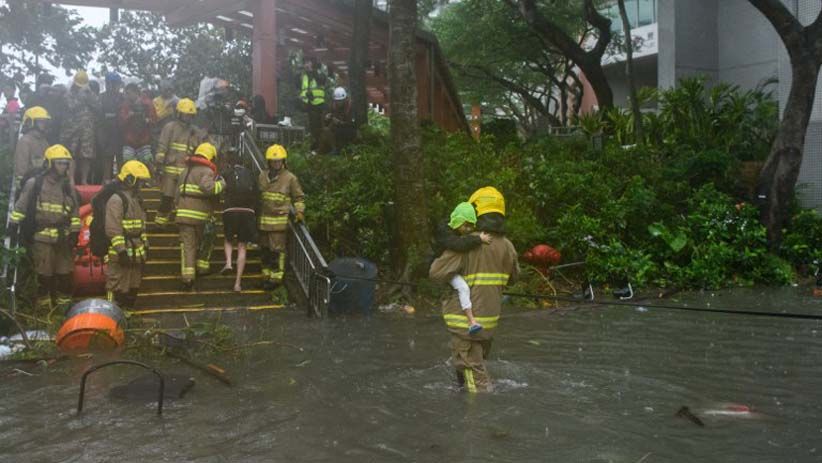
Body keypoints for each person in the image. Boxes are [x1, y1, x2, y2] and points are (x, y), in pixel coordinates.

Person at [429, 187, 518, 393]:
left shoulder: (466, 244)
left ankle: (477, 421)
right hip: (488, 324)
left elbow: (435, 272)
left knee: (475, 384)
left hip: (465, 325)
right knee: (472, 371)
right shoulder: (508, 247)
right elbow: (513, 278)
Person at [8, 145, 81, 313]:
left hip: (63, 239)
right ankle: (43, 316)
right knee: (44, 278)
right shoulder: (35, 183)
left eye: (65, 163)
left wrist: (75, 232)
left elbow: (75, 213)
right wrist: (13, 225)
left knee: (65, 278)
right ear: (49, 164)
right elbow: (21, 207)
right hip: (42, 238)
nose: (64, 166)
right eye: (60, 163)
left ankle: (63, 314)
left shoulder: (68, 187)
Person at [433, 202, 493, 335]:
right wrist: (478, 239)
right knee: (463, 287)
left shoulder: (454, 228)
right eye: (466, 225)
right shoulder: (445, 232)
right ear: (458, 221)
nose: (468, 229)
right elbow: (458, 244)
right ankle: (472, 322)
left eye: (471, 226)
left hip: (455, 268)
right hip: (444, 268)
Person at [175, 142, 225, 290]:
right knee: (205, 241)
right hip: (200, 215)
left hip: (183, 214)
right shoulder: (207, 171)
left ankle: (188, 278)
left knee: (187, 246)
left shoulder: (185, 171)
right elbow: (207, 188)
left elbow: (177, 194)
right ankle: (202, 268)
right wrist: (222, 184)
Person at [104, 160, 151, 309]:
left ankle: (128, 318)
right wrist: (121, 251)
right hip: (121, 252)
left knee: (133, 286)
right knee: (116, 285)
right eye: (140, 182)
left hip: (136, 252)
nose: (142, 186)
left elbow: (142, 226)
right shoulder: (116, 200)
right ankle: (112, 317)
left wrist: (146, 245)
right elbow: (113, 229)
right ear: (130, 180)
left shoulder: (137, 200)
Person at [257, 144, 304, 289]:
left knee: (277, 251)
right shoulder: (262, 176)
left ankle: (276, 279)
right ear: (269, 161)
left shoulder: (290, 178)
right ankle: (266, 276)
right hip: (263, 222)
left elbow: (299, 197)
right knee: (265, 250)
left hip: (279, 222)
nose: (276, 163)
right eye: (273, 161)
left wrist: (299, 212)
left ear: (283, 161)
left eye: (279, 161)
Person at [154, 98, 208, 226]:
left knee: (182, 200)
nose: (188, 118)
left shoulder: (194, 130)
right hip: (170, 170)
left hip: (185, 172)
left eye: (190, 115)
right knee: (167, 198)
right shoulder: (170, 127)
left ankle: (179, 225)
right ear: (179, 113)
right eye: (186, 114)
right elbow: (162, 146)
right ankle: (160, 224)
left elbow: (199, 147)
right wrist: (159, 165)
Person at [220, 152, 258, 292]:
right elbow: (256, 193)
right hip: (247, 212)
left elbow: (220, 188)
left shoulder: (227, 172)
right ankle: (237, 283)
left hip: (230, 210)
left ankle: (229, 262)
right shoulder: (251, 174)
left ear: (230, 163)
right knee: (242, 245)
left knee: (228, 239)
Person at [61, 70, 99, 184]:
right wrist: (81, 97)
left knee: (86, 155)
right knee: (72, 154)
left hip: (87, 130)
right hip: (72, 130)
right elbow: (71, 106)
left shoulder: (90, 93)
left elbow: (98, 107)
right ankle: (71, 179)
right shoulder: (68, 94)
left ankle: (84, 180)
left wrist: (90, 95)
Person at [119, 83, 157, 167]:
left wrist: (147, 120)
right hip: (129, 142)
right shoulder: (125, 105)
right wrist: (129, 116)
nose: (127, 96)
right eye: (126, 94)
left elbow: (154, 121)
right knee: (128, 164)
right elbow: (121, 122)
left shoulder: (148, 104)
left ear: (136, 92)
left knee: (147, 163)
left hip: (144, 141)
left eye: (129, 93)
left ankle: (147, 179)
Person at [98, 72, 125, 182]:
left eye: (117, 84)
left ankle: (121, 180)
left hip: (121, 133)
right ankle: (106, 181)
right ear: (108, 84)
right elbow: (99, 117)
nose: (115, 87)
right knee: (107, 158)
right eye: (112, 84)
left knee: (121, 158)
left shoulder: (123, 98)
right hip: (106, 132)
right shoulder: (101, 98)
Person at [13, 106, 51, 183]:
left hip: (42, 182)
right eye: (41, 121)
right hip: (29, 183)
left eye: (45, 122)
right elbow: (21, 170)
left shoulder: (44, 141)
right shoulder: (25, 141)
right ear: (30, 122)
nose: (44, 124)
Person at [298, 58, 326, 150]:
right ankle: (314, 146)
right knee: (312, 128)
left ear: (312, 63)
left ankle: (319, 147)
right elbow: (301, 88)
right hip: (308, 105)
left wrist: (312, 71)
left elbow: (322, 81)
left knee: (318, 127)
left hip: (318, 104)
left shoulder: (318, 73)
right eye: (305, 63)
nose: (306, 65)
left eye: (307, 62)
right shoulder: (304, 75)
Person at [318, 86, 355, 155]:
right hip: (335, 129)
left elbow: (352, 123)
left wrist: (340, 122)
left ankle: (339, 150)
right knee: (325, 131)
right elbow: (324, 117)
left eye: (341, 101)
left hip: (347, 130)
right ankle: (330, 150)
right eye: (337, 101)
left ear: (345, 99)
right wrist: (326, 118)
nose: (339, 103)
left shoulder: (350, 107)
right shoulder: (332, 106)